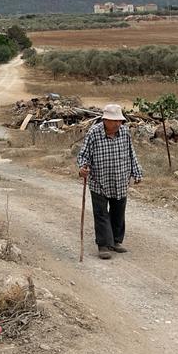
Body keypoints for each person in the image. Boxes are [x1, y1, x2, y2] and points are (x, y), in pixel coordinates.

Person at [77, 103, 143, 260]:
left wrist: (136, 171)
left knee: (118, 211)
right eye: (115, 121)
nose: (118, 123)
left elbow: (130, 153)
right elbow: (83, 155)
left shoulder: (125, 132)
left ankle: (116, 241)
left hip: (120, 179)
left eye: (119, 121)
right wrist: (82, 168)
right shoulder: (94, 133)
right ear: (105, 120)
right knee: (101, 213)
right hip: (99, 180)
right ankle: (103, 245)